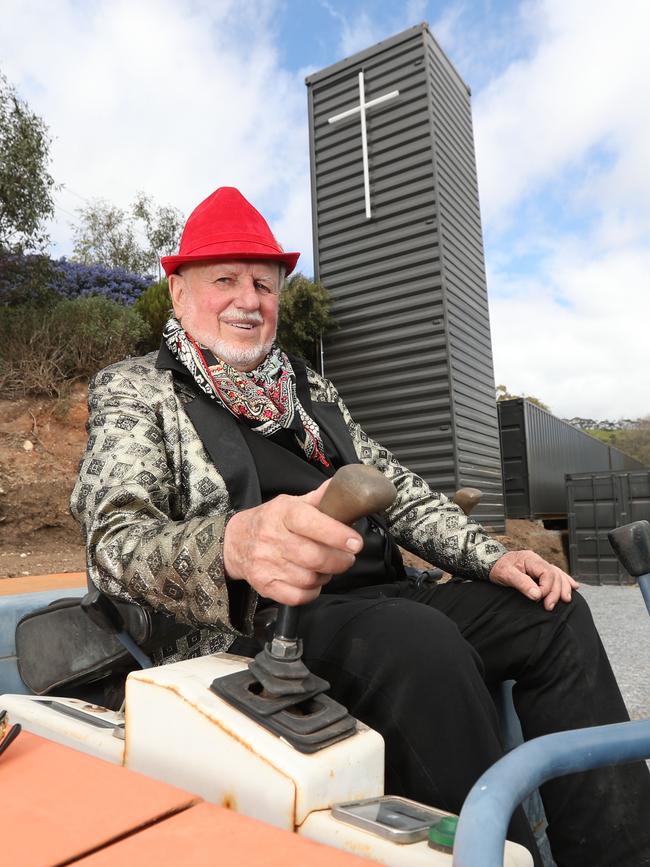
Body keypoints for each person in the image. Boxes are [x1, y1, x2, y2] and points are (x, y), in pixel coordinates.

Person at [71, 186, 650, 867]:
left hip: (379, 600)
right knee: (421, 642)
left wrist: (493, 558)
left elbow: (396, 490)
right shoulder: (136, 388)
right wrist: (232, 544)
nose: (248, 299)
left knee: (550, 607)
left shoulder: (310, 393)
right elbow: (113, 538)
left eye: (264, 282)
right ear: (177, 291)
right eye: (224, 279)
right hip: (255, 626)